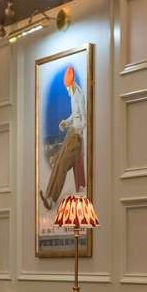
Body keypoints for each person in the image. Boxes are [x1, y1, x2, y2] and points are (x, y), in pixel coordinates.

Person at [40, 65, 87, 210]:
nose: (66, 90)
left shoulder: (79, 96)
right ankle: (48, 195)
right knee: (57, 163)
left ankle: (52, 200)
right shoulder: (73, 95)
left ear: (71, 84)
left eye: (67, 87)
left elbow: (84, 119)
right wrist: (66, 122)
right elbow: (75, 115)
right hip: (70, 134)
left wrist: (75, 129)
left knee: (61, 166)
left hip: (76, 138)